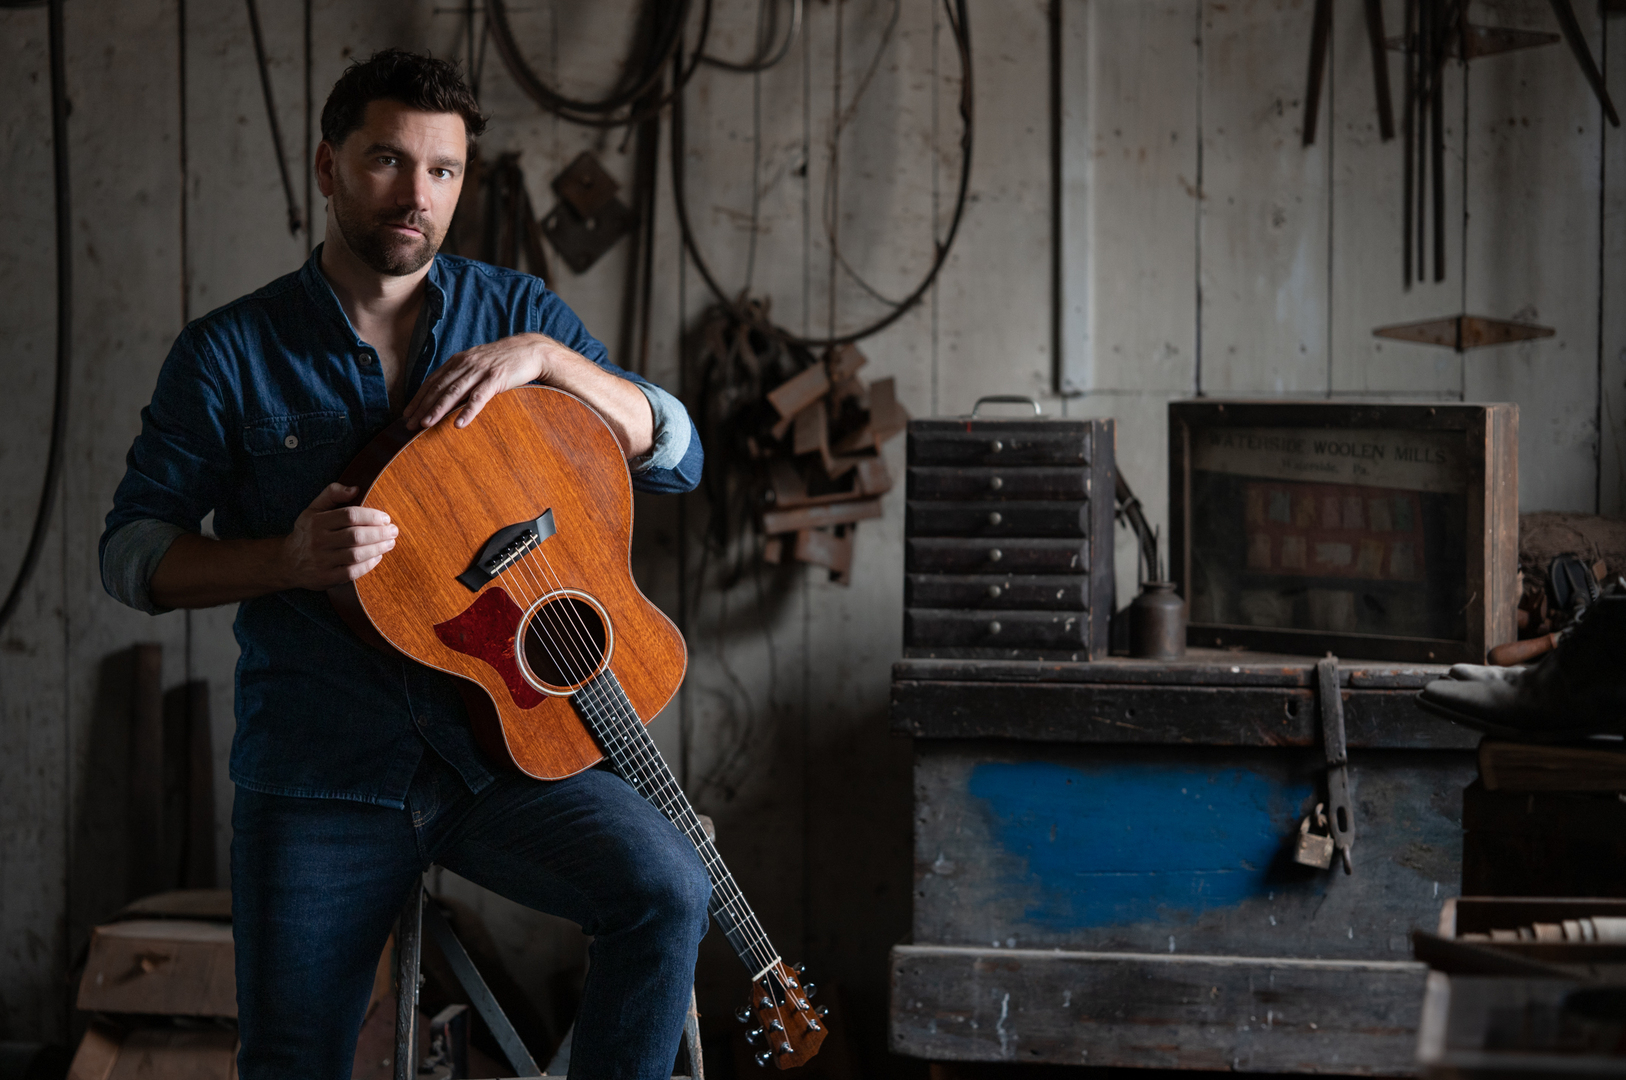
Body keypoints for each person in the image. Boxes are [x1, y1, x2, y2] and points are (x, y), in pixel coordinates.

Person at [100, 49, 708, 1080]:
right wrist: (284, 559)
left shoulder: (517, 318)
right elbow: (131, 555)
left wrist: (558, 365)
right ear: (330, 167)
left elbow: (679, 454)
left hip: (498, 765)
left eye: (442, 170)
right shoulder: (228, 353)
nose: (415, 194)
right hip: (318, 771)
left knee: (668, 888)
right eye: (387, 161)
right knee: (293, 1061)